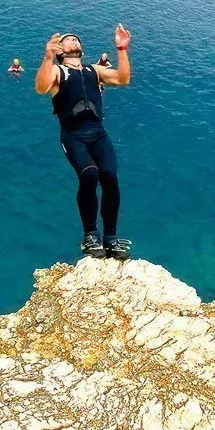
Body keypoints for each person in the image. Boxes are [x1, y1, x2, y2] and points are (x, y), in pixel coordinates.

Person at [35, 26, 132, 259]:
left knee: (109, 175)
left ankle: (111, 238)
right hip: (73, 136)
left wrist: (122, 49)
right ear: (60, 51)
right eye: (67, 40)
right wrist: (47, 57)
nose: (72, 40)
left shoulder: (94, 71)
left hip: (98, 133)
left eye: (75, 39)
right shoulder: (58, 72)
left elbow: (122, 79)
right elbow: (41, 87)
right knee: (89, 174)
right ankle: (90, 235)